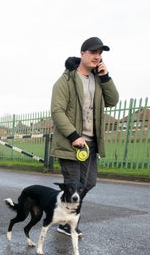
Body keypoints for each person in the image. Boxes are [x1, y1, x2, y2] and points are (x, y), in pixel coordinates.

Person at [50, 36, 119, 237]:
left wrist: (105, 77)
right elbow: (57, 111)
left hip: (90, 144)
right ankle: (66, 223)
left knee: (88, 183)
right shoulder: (66, 81)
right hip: (72, 143)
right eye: (93, 53)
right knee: (73, 185)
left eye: (100, 54)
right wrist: (73, 136)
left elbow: (113, 100)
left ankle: (62, 214)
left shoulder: (98, 80)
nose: (97, 57)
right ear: (82, 54)